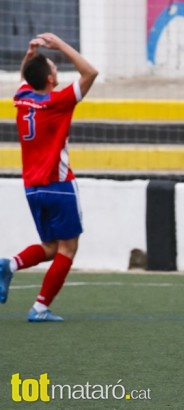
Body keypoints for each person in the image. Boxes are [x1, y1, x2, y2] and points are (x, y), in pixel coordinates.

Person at [0, 33, 98, 322]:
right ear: (51, 79)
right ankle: (40, 308)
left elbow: (25, 77)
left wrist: (31, 55)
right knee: (68, 248)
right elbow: (91, 72)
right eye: (55, 69)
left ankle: (10, 264)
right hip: (59, 185)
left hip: (32, 187)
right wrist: (60, 45)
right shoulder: (58, 101)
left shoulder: (22, 99)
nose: (57, 71)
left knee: (50, 248)